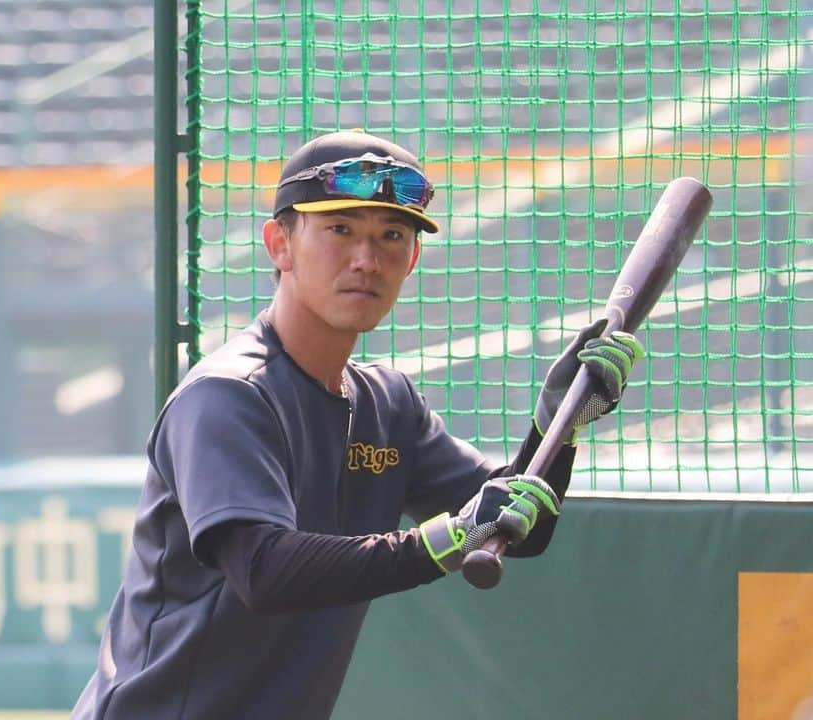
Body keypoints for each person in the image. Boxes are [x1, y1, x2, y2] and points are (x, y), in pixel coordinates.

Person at [71, 129, 644, 720]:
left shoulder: (389, 405)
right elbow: (265, 570)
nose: (367, 259)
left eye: (391, 236)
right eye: (340, 230)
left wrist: (559, 424)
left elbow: (516, 527)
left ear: (412, 258)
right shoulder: (228, 396)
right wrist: (441, 541)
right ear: (280, 245)